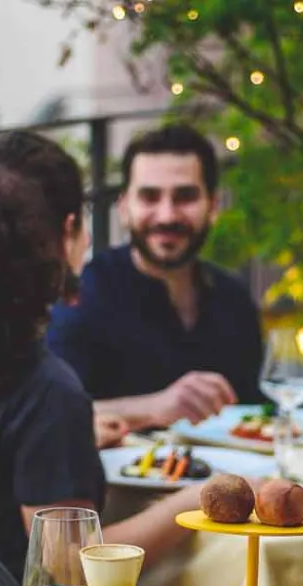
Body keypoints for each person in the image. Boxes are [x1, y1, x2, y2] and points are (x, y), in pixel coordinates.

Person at [0, 134, 202, 585]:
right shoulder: (46, 391)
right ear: (69, 232)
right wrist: (194, 502)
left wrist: (61, 446)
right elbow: (73, 573)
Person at [46, 124, 264, 430]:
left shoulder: (235, 300)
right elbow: (49, 414)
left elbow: (255, 416)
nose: (167, 216)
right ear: (124, 208)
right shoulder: (82, 296)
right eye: (150, 197)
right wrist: (152, 409)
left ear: (213, 206)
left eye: (185, 197)